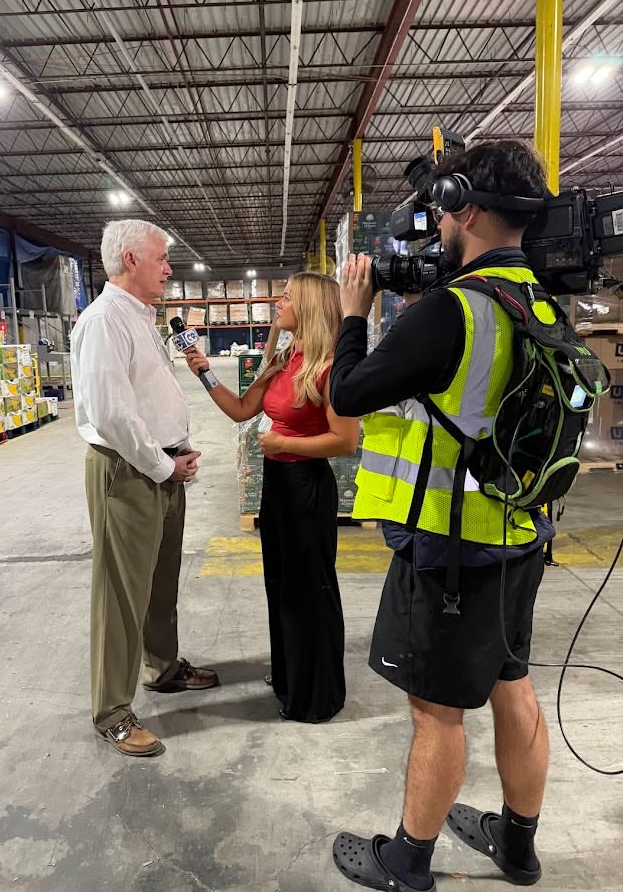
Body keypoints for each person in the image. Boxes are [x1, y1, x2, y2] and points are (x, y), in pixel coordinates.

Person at [329, 141, 555, 891]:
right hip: (521, 537)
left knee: (436, 712)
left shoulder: (456, 310)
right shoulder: (540, 298)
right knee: (511, 684)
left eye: (443, 207)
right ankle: (516, 845)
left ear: (465, 204)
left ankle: (406, 859)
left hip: (452, 553)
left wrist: (352, 313)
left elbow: (351, 394)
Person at [70, 219, 219, 758]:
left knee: (159, 580)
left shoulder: (141, 319)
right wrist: (161, 464)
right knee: (120, 592)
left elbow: (146, 400)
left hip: (160, 465)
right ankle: (111, 710)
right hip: (129, 472)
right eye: (161, 258)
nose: (169, 267)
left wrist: (174, 451)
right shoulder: (105, 320)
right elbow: (111, 414)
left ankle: (162, 667)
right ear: (130, 260)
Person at [184, 272, 359, 722]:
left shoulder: (331, 367)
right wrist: (205, 374)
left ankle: (315, 695)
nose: (278, 304)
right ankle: (289, 677)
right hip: (279, 488)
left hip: (307, 486)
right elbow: (242, 409)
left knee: (309, 591)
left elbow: (345, 441)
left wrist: (287, 445)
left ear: (310, 307)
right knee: (281, 587)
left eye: (287, 297)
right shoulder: (284, 358)